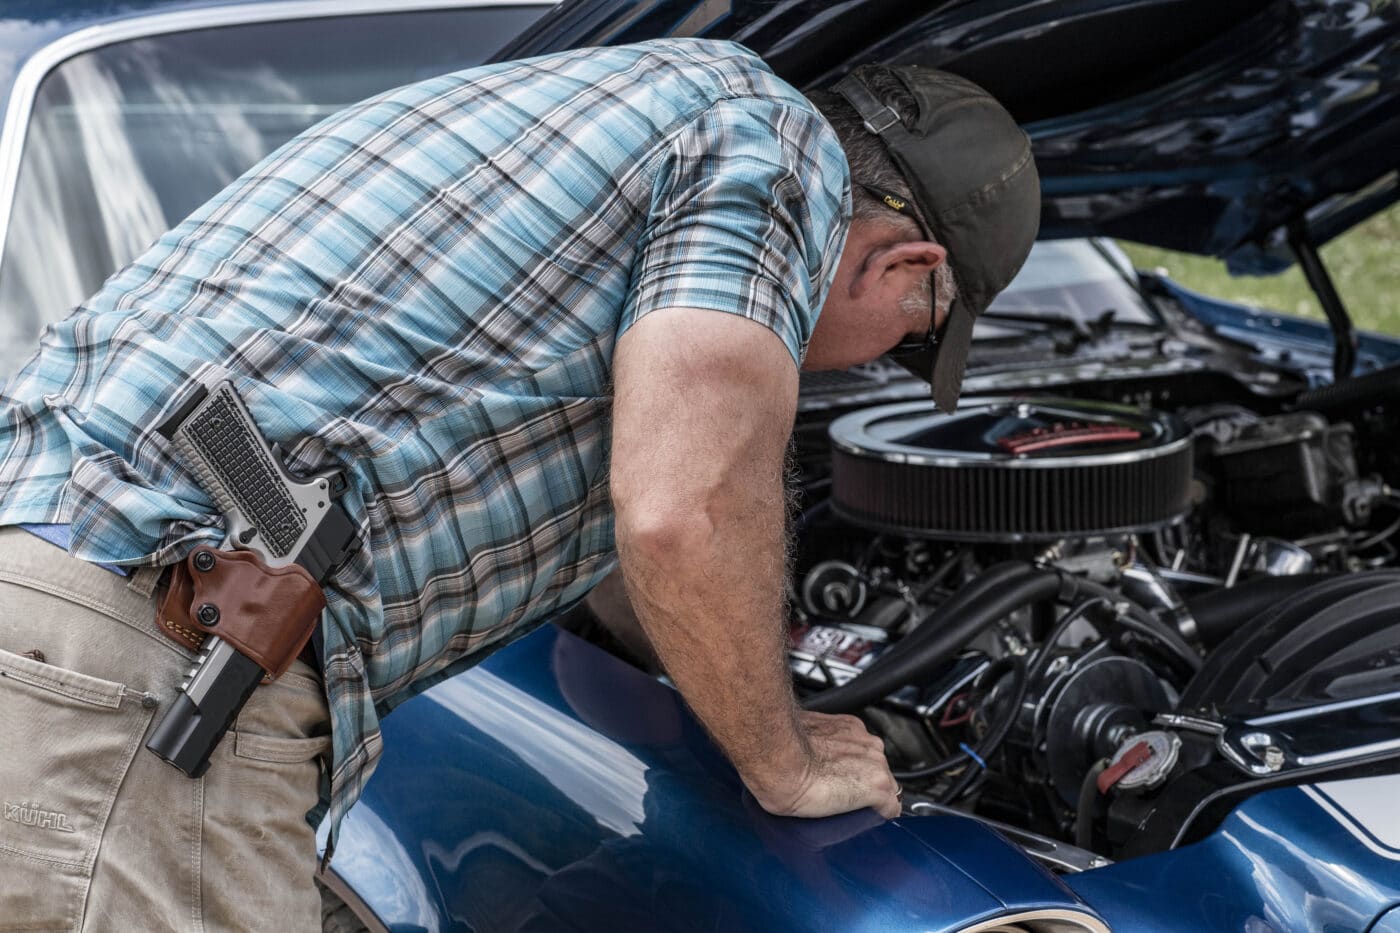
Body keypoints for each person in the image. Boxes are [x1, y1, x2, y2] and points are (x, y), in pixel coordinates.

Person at [0, 38, 1037, 930]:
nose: (868, 366)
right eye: (910, 340)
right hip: (146, 652)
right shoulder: (775, 154)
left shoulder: (638, 103)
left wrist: (722, 672)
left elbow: (637, 525)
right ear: (904, 265)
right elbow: (683, 512)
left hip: (74, 605)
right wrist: (788, 762)